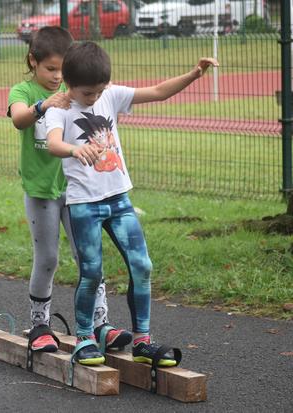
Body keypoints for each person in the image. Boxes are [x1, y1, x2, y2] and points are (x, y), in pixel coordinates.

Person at [44, 41, 218, 366]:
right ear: (70, 85)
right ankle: (85, 338)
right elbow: (53, 143)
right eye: (86, 93)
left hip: (119, 199)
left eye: (98, 91)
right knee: (92, 271)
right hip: (84, 204)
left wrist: (194, 74)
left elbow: (158, 91)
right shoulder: (60, 108)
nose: (93, 98)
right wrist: (73, 149)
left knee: (143, 266)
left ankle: (142, 341)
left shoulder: (109, 95)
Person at [7, 27, 131, 354]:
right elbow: (19, 119)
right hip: (41, 192)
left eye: (62, 70)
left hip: (78, 192)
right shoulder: (22, 91)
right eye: (50, 69)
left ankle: (99, 323)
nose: (57, 76)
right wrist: (43, 105)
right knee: (47, 259)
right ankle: (40, 325)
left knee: (87, 258)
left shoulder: (74, 90)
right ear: (33, 61)